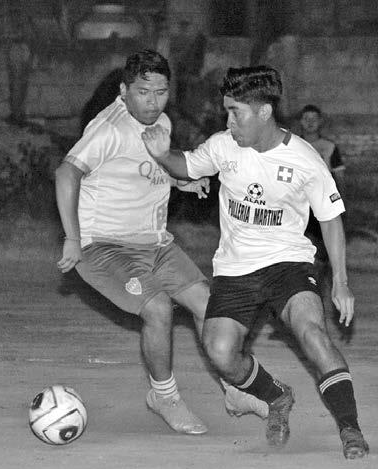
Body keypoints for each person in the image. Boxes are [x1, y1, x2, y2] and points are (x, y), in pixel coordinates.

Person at [140, 66, 369, 458]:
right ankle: (276, 396)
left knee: (313, 334)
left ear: (264, 112)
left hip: (288, 263)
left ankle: (351, 429)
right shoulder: (223, 146)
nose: (229, 121)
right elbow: (186, 166)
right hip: (235, 269)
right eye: (227, 111)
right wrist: (163, 154)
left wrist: (342, 282)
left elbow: (331, 219)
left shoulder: (304, 159)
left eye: (236, 112)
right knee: (220, 353)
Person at [54, 49, 265, 436]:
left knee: (209, 305)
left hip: (155, 243)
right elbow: (66, 174)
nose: (153, 102)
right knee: (158, 308)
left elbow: (146, 167)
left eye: (161, 92)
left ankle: (233, 389)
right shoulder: (108, 129)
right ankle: (164, 396)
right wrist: (72, 238)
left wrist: (182, 180)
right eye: (143, 92)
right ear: (124, 91)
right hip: (105, 246)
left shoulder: (160, 122)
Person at [297, 104, 350, 341]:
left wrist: (341, 208)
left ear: (320, 122)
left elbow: (340, 178)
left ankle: (312, 314)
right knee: (297, 261)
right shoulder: (292, 144)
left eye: (314, 118)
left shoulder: (329, 147)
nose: (310, 122)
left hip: (322, 212)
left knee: (319, 263)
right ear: (300, 121)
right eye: (305, 118)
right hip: (299, 211)